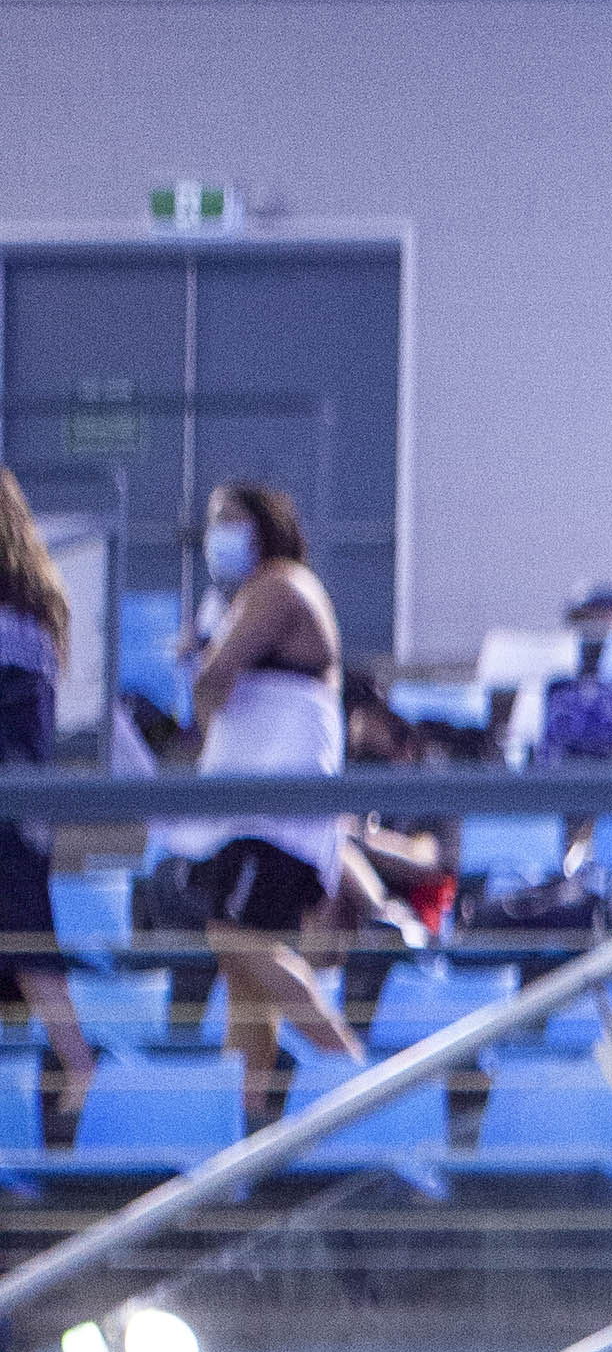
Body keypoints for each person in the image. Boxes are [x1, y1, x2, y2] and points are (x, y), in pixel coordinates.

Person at [170, 480, 363, 1123]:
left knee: (233, 937)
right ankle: (246, 1128)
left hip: (280, 810)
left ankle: (357, 1076)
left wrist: (200, 664)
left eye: (230, 519)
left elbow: (215, 683)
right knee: (241, 977)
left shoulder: (283, 585)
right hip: (247, 808)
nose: (216, 533)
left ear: (262, 526)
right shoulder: (239, 599)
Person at [0, 473, 99, 1144]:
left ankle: (80, 1066)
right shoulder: (31, 610)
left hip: (10, 810)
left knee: (28, 944)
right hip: (23, 809)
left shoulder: (12, 622)